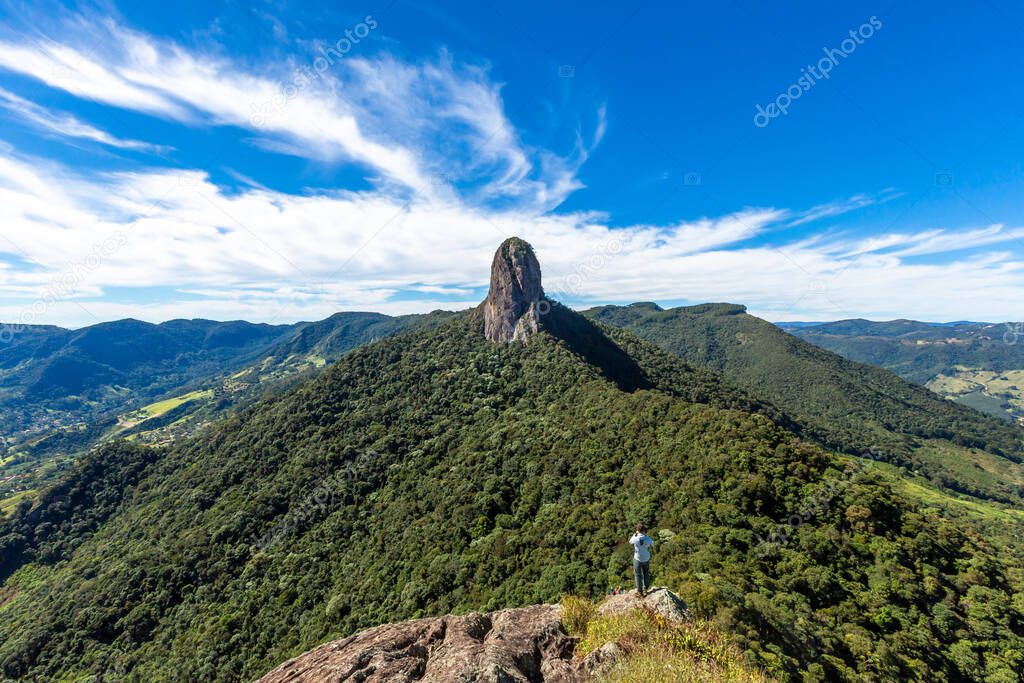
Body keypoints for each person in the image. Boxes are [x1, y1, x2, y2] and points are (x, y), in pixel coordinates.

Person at [629, 523, 654, 596]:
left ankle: (639, 591)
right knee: (646, 573)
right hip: (646, 558)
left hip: (638, 558)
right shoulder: (647, 538)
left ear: (637, 530)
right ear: (644, 530)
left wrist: (635, 534)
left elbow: (630, 542)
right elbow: (653, 544)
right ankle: (645, 589)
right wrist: (646, 538)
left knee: (638, 575)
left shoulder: (635, 538)